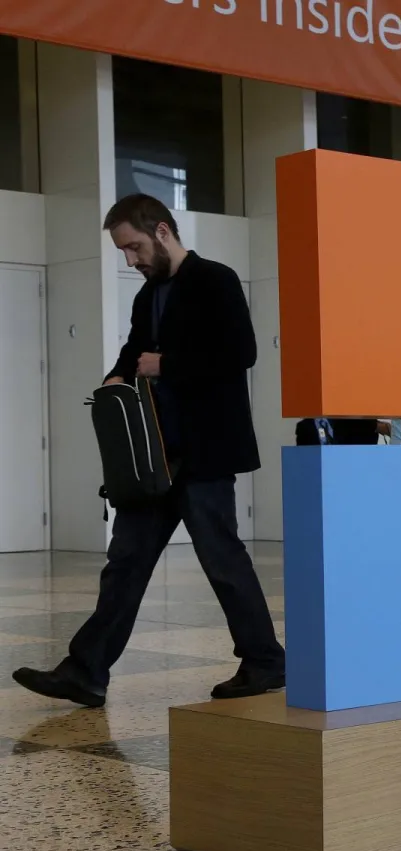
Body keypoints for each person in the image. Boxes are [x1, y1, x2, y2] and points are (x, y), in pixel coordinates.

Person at [13, 195, 286, 707]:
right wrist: (117, 374)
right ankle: (86, 671)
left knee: (221, 558)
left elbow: (240, 352)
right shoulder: (148, 296)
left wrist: (169, 364)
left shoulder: (216, 280)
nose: (130, 260)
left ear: (163, 231)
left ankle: (266, 662)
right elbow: (137, 352)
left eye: (134, 247)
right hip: (153, 454)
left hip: (204, 451)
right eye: (122, 252)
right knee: (126, 561)